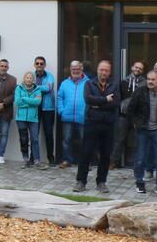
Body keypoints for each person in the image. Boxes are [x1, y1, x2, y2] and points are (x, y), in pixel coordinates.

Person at [73, 60, 120, 193]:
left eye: (106, 70)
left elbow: (115, 103)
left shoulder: (114, 85)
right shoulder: (89, 83)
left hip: (108, 124)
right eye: (101, 69)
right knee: (86, 153)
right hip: (92, 122)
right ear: (97, 70)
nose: (103, 72)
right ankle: (81, 181)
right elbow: (88, 99)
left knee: (105, 154)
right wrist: (105, 100)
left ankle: (101, 182)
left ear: (109, 72)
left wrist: (97, 104)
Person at [127, 69, 157, 196]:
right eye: (148, 79)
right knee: (140, 158)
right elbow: (131, 109)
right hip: (143, 129)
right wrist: (135, 123)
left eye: (153, 79)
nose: (150, 82)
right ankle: (139, 182)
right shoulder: (140, 92)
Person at [112, 61, 146, 169]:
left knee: (138, 140)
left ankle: (137, 163)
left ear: (142, 71)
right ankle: (114, 161)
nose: (138, 69)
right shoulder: (124, 81)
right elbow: (119, 97)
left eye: (140, 68)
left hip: (137, 115)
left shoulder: (145, 83)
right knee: (119, 139)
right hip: (124, 114)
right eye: (136, 67)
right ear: (132, 68)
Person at [57, 61, 88, 168]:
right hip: (67, 116)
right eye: (73, 69)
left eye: (78, 69)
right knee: (67, 140)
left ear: (82, 69)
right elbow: (59, 97)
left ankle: (84, 162)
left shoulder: (88, 82)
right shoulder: (64, 83)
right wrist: (61, 111)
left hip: (83, 117)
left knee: (84, 140)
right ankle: (67, 160)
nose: (75, 71)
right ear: (70, 70)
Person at [14, 71, 43, 168]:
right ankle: (25, 159)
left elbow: (37, 102)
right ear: (24, 79)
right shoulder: (18, 88)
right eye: (27, 77)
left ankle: (37, 160)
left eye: (31, 78)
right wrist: (31, 102)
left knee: (35, 139)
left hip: (33, 119)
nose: (29, 79)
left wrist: (25, 99)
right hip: (21, 118)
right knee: (23, 139)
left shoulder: (38, 89)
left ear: (33, 80)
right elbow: (18, 102)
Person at [32, 56, 57, 166]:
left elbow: (49, 88)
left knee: (49, 134)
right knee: (34, 134)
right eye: (37, 63)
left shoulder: (50, 76)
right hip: (34, 108)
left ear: (45, 65)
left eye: (41, 63)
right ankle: (33, 158)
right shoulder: (31, 75)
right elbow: (27, 87)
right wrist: (40, 87)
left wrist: (34, 87)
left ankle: (51, 158)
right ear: (34, 65)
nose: (39, 65)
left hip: (48, 108)